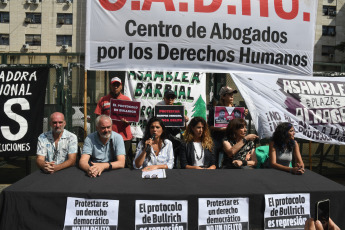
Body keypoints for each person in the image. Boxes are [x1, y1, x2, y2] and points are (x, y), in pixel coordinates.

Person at [94, 76, 133, 168]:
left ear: (121, 86)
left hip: (124, 137)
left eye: (117, 85)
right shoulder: (103, 100)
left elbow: (132, 118)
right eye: (113, 85)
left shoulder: (127, 100)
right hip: (108, 136)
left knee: (126, 162)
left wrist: (128, 121)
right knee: (110, 160)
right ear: (110, 86)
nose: (115, 87)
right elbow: (97, 118)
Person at [208, 86, 248, 167]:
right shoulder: (215, 109)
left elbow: (240, 125)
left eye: (232, 94)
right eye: (229, 94)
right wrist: (220, 129)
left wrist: (244, 115)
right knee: (214, 163)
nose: (232, 96)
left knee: (230, 162)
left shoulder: (237, 109)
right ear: (223, 96)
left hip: (232, 139)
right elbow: (209, 126)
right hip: (217, 139)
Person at [156, 89, 189, 168]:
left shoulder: (179, 108)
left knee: (176, 161)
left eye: (172, 97)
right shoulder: (159, 109)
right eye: (168, 97)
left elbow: (184, 128)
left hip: (176, 140)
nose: (170, 99)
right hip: (164, 139)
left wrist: (185, 121)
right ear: (164, 98)